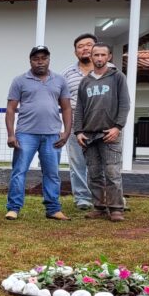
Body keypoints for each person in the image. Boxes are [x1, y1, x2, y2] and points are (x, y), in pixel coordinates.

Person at [5, 46, 72, 221]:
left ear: (49, 59)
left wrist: (66, 132)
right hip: (25, 134)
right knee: (19, 171)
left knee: (52, 173)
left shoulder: (60, 81)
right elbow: (11, 109)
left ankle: (53, 209)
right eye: (36, 59)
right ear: (30, 61)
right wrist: (11, 134)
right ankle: (13, 208)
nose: (40, 61)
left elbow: (66, 108)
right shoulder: (19, 80)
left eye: (44, 58)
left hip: (52, 135)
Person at [73, 43, 131, 222]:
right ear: (91, 56)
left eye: (102, 55)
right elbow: (79, 109)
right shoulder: (86, 82)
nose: (99, 58)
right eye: (95, 55)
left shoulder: (117, 77)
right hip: (89, 136)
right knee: (94, 173)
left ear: (109, 57)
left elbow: (125, 104)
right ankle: (99, 207)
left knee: (112, 173)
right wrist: (78, 131)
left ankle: (115, 209)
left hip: (109, 134)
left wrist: (117, 127)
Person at [61, 34, 98, 210]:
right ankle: (82, 198)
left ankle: (106, 197)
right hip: (76, 124)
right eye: (80, 46)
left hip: (102, 123)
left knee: (105, 163)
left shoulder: (111, 70)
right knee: (77, 163)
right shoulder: (67, 74)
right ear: (76, 52)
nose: (85, 48)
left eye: (89, 45)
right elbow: (63, 101)